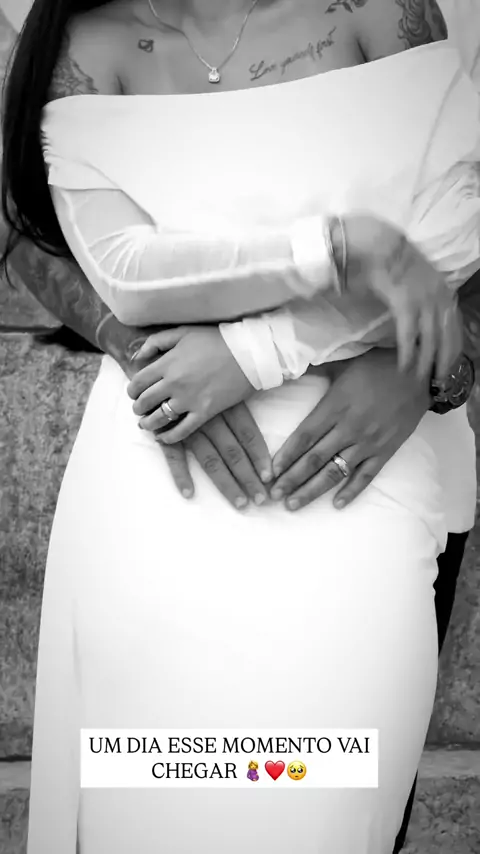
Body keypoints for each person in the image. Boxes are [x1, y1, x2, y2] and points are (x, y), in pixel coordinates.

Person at [1, 1, 479, 852]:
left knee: (323, 804)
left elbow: (458, 236)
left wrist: (266, 350)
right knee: (151, 809)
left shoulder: (383, 11)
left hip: (358, 473)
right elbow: (82, 255)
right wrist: (338, 250)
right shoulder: (81, 43)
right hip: (164, 476)